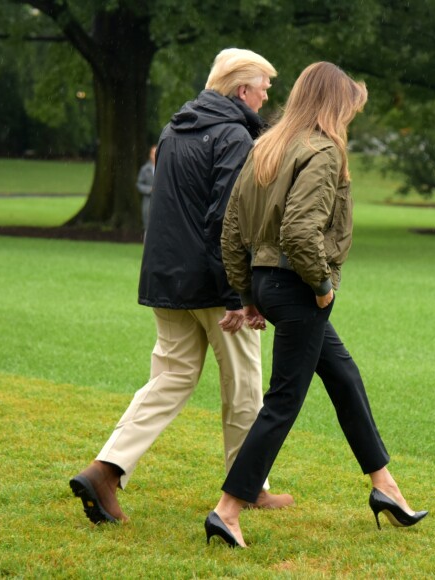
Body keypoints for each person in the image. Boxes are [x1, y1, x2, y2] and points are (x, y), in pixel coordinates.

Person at [205, 62, 428, 548]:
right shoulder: (323, 151)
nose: (351, 117)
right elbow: (300, 231)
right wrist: (323, 287)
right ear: (334, 105)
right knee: (284, 402)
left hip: (271, 283)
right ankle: (228, 509)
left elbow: (231, 230)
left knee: (344, 377)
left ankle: (385, 488)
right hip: (299, 286)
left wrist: (249, 294)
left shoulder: (268, 144)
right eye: (350, 107)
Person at [70, 48, 294, 524]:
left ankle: (105, 470)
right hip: (216, 286)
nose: (267, 95)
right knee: (245, 387)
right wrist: (241, 296)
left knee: (169, 379)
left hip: (167, 278)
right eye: (263, 87)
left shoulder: (174, 129)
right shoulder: (235, 136)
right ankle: (248, 488)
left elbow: (173, 214)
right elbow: (226, 220)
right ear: (241, 91)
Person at [137, 145, 156, 231]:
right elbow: (139, 184)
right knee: (147, 227)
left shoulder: (164, 167)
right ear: (150, 155)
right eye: (153, 153)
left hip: (161, 202)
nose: (154, 156)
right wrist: (149, 189)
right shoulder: (145, 169)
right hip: (148, 202)